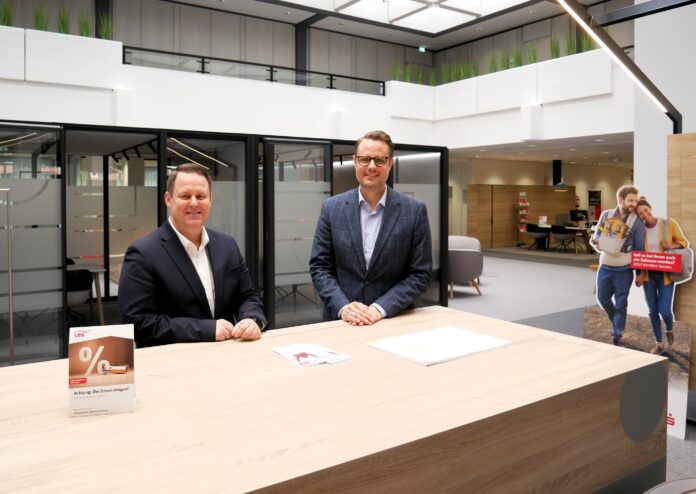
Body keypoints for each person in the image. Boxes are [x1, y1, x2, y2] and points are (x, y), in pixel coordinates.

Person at [118, 163, 266, 347]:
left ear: (210, 199)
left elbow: (248, 296)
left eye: (201, 196)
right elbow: (137, 323)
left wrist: (252, 319)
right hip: (171, 366)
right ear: (168, 199)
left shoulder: (228, 245)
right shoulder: (143, 253)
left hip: (226, 359)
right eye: (185, 196)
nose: (194, 203)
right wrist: (206, 329)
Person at [309, 130, 432, 325]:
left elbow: (420, 274)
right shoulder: (332, 208)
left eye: (380, 160)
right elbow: (320, 267)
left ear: (390, 163)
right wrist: (343, 306)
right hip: (341, 320)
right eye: (365, 159)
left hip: (392, 319)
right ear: (355, 161)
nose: (372, 166)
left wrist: (380, 308)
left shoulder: (414, 211)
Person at [590, 185, 645, 346]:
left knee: (621, 302)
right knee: (603, 299)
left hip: (624, 270)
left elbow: (640, 249)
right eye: (630, 200)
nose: (634, 204)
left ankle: (617, 332)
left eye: (635, 201)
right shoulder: (606, 215)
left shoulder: (637, 223)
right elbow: (596, 236)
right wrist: (597, 245)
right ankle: (617, 321)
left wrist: (640, 273)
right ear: (621, 200)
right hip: (605, 266)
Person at [634, 197, 689, 354]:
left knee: (664, 310)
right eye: (640, 214)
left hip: (666, 273)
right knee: (652, 310)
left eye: (645, 210)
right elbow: (638, 253)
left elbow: (684, 243)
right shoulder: (640, 230)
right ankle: (659, 343)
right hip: (648, 275)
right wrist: (638, 274)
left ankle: (669, 329)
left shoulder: (667, 223)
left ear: (650, 208)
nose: (644, 214)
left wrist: (670, 245)